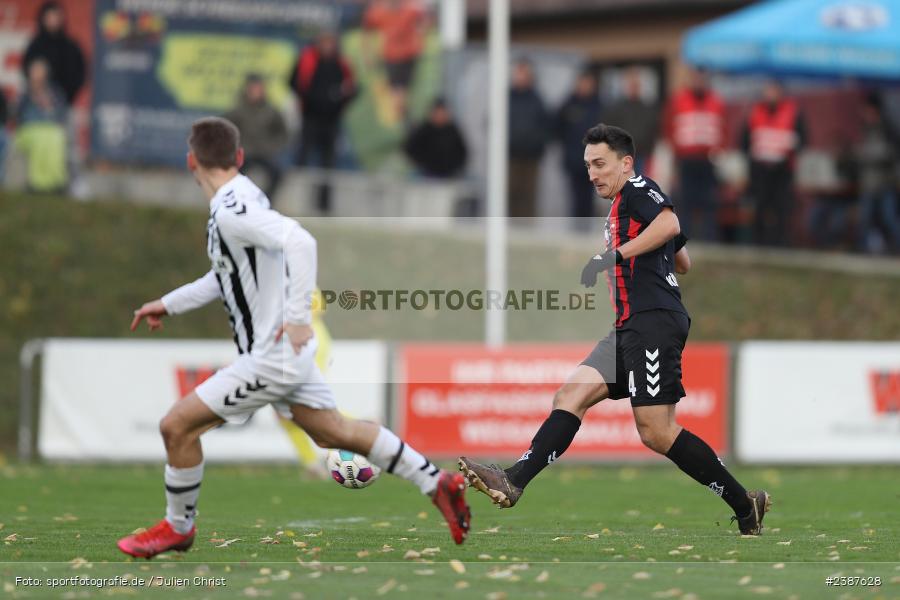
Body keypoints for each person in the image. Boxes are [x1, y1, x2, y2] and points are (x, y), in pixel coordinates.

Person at [117, 117, 470, 559]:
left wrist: (299, 317)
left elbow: (300, 242)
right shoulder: (244, 197)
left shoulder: (231, 210)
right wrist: (169, 303)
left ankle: (178, 527)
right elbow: (225, 276)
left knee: (176, 426)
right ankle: (436, 483)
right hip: (285, 358)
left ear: (191, 161)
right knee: (333, 431)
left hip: (271, 356)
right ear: (240, 157)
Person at [459, 124, 771, 537]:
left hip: (653, 321)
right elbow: (684, 262)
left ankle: (743, 502)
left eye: (600, 164)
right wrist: (644, 253)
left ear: (626, 163)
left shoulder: (639, 189)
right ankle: (514, 480)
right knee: (571, 394)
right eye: (588, 165)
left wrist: (615, 256)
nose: (592, 173)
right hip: (628, 326)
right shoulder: (626, 202)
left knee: (657, 433)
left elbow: (669, 225)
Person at [290, 32, 357, 213]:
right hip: (310, 118)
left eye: (331, 42)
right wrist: (311, 100)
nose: (328, 46)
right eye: (324, 42)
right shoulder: (307, 60)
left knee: (328, 164)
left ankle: (324, 205)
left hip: (331, 121)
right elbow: (294, 83)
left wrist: (338, 103)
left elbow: (352, 88)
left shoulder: (341, 63)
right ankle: (296, 200)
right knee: (302, 158)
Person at [741, 80, 806, 247]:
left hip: (783, 170)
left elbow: (802, 140)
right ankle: (759, 242)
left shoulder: (792, 112)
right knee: (760, 207)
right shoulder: (755, 112)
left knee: (782, 208)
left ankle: (780, 244)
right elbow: (744, 140)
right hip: (760, 170)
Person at [664, 68, 725, 242]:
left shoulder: (716, 102)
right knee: (685, 203)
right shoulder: (678, 101)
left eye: (702, 78)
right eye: (696, 78)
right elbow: (669, 128)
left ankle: (709, 241)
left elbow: (723, 130)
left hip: (708, 161)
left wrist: (720, 151)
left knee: (709, 204)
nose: (699, 82)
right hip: (686, 160)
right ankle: (684, 243)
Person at [224, 74, 288, 200]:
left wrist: (274, 146)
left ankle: (265, 202)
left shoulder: (271, 110)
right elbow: (225, 128)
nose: (255, 92)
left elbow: (283, 132)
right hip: (244, 152)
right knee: (233, 174)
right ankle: (238, 202)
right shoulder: (238, 110)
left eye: (258, 88)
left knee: (277, 173)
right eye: (252, 88)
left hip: (265, 153)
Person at [363, 0, 428, 122]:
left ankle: (402, 114)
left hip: (408, 55)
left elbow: (423, 19)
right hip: (391, 57)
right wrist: (368, 55)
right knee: (397, 90)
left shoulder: (410, 9)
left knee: (403, 90)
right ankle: (402, 114)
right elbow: (367, 31)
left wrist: (420, 39)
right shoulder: (379, 12)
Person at [556, 69, 603, 229]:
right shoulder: (569, 104)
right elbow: (558, 128)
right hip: (574, 159)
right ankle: (576, 229)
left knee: (589, 198)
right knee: (575, 197)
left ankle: (586, 229)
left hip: (594, 161)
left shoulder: (598, 105)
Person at [855, 93, 900, 254]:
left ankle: (896, 247)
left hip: (885, 183)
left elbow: (891, 154)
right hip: (868, 183)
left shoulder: (887, 128)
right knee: (865, 219)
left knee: (889, 218)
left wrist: (870, 155)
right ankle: (864, 250)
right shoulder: (865, 128)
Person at [15, 58, 68, 193]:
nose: (37, 75)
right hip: (29, 130)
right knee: (40, 138)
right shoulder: (25, 92)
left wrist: (49, 106)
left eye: (40, 72)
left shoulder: (54, 92)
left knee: (56, 137)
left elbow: (61, 112)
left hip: (50, 129)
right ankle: (37, 184)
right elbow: (18, 114)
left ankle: (56, 183)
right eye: (35, 72)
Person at [508, 58, 551, 220]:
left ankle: (525, 231)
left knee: (528, 196)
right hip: (510, 156)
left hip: (531, 157)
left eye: (524, 73)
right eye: (519, 73)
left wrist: (537, 144)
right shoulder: (506, 98)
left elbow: (546, 126)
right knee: (510, 194)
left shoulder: (537, 100)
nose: (521, 77)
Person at [22, 1, 86, 107]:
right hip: (36, 103)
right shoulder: (35, 46)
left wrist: (68, 96)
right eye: (49, 17)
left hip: (66, 103)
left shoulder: (71, 46)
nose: (52, 20)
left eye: (55, 16)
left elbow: (80, 73)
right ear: (43, 18)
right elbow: (26, 70)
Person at [604, 67, 659, 175]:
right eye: (631, 84)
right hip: (622, 156)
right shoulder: (616, 109)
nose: (633, 87)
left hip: (641, 154)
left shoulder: (647, 108)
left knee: (640, 185)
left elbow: (652, 129)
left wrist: (649, 149)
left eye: (636, 84)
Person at [403, 98, 467, 178]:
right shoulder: (424, 129)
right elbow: (409, 149)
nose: (440, 115)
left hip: (449, 176)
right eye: (437, 112)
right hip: (426, 175)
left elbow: (463, 153)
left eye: (442, 112)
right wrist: (422, 164)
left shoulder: (452, 130)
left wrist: (455, 168)